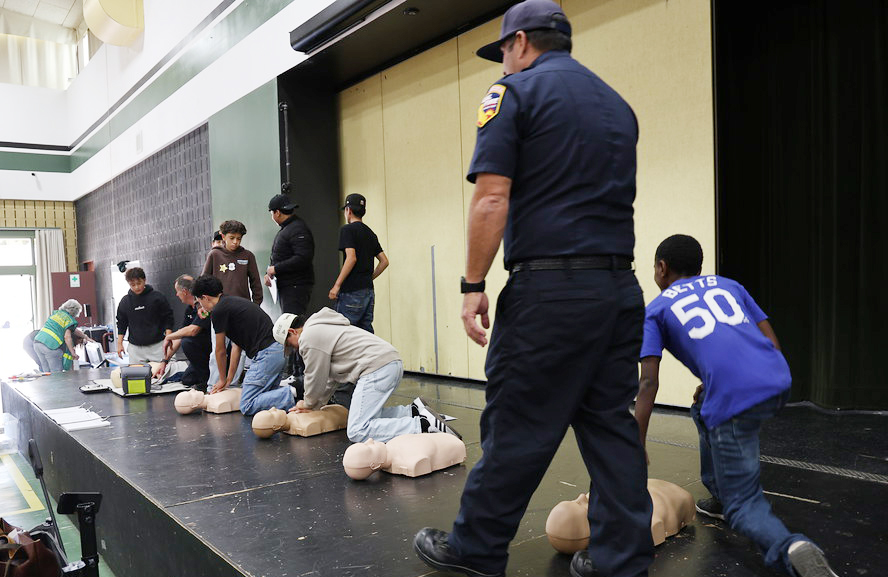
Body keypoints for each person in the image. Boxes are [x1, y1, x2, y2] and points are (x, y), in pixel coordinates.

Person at [413, 3, 653, 577]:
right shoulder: (618, 105)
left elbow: (492, 197)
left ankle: (476, 550)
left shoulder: (512, 93)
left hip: (551, 293)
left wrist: (473, 284)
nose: (504, 63)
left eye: (503, 53)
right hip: (620, 290)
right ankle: (623, 560)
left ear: (520, 42)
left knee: (517, 421)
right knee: (610, 426)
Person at [634, 234, 838, 577]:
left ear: (661, 267)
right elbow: (770, 341)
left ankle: (790, 548)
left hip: (735, 400)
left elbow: (648, 382)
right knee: (701, 408)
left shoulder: (655, 310)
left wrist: (635, 443)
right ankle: (719, 496)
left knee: (744, 506)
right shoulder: (729, 285)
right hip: (777, 380)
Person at [273, 309, 459, 443]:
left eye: (290, 344)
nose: (295, 349)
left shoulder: (309, 337)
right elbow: (329, 379)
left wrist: (307, 403)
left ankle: (422, 425)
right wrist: (316, 405)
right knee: (370, 417)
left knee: (357, 430)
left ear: (292, 332)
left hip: (376, 369)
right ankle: (411, 412)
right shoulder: (323, 327)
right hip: (389, 363)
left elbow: (314, 376)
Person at [191, 275, 293, 416]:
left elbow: (220, 350)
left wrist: (220, 379)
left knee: (247, 404)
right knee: (268, 396)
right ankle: (290, 394)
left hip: (266, 355)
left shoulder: (219, 311)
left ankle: (293, 391)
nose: (201, 306)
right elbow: (236, 347)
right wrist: (228, 380)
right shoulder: (232, 302)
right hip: (277, 352)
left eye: (199, 301)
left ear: (205, 297)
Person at [328, 193, 389, 332]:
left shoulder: (347, 230)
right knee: (366, 335)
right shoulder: (370, 233)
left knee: (344, 334)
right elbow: (384, 261)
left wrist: (337, 285)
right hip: (368, 291)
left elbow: (351, 257)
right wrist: (369, 277)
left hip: (351, 291)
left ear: (348, 210)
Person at [156, 275, 212, 390]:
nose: (177, 295)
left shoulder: (203, 306)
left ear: (185, 291)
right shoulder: (189, 310)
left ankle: (206, 381)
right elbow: (180, 335)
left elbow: (193, 330)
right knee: (187, 379)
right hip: (200, 353)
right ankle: (200, 374)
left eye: (177, 291)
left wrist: (169, 336)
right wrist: (164, 361)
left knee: (187, 342)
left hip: (211, 350)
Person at [266, 194, 315, 315]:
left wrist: (276, 269)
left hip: (295, 286)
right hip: (288, 285)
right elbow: (281, 255)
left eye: (271, 213)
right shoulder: (288, 228)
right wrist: (269, 273)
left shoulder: (297, 229)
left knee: (293, 323)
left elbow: (303, 258)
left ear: (277, 212)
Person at [116, 267, 175, 363]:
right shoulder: (125, 302)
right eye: (132, 285)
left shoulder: (157, 297)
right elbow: (121, 323)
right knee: (138, 376)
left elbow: (168, 318)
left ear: (144, 280)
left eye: (139, 283)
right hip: (136, 348)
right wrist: (119, 343)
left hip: (158, 345)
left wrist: (168, 338)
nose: (136, 287)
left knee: (162, 373)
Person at [202, 220, 263, 305]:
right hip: (220, 305)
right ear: (223, 236)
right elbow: (203, 282)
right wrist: (200, 305)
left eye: (239, 238)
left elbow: (256, 283)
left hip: (243, 305)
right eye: (231, 238)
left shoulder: (248, 256)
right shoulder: (214, 254)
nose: (235, 242)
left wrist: (256, 304)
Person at [33, 299, 82, 372]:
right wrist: (73, 353)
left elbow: (75, 330)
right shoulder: (69, 320)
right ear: (75, 311)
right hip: (51, 346)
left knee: (46, 372)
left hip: (37, 343)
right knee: (57, 374)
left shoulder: (56, 314)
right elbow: (67, 337)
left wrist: (85, 336)